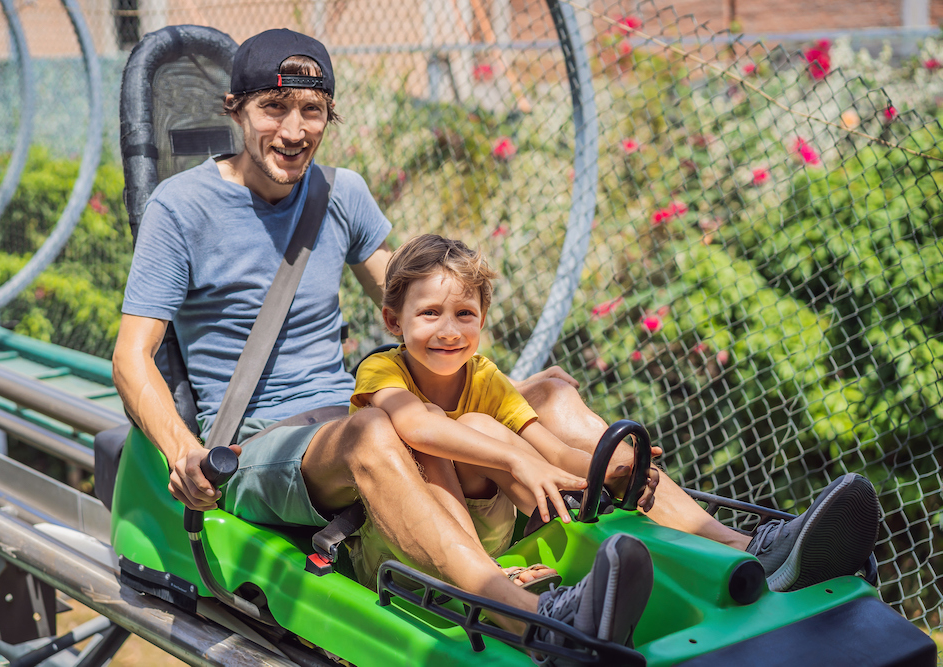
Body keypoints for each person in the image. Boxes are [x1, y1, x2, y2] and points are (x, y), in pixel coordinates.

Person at [111, 26, 880, 652]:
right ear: (236, 108)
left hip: (353, 407)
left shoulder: (340, 193)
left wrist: (512, 417)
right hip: (263, 446)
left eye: (311, 110)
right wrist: (184, 452)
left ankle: (750, 548)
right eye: (274, 109)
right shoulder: (182, 209)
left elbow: (411, 305)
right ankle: (517, 611)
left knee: (547, 390)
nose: (293, 129)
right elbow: (133, 356)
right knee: (380, 427)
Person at [348, 234, 660, 592]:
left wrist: (608, 472)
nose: (449, 331)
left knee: (480, 424)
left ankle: (572, 526)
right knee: (432, 419)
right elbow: (416, 426)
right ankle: (483, 575)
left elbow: (553, 451)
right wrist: (516, 460)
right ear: (393, 321)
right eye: (430, 313)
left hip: (489, 542)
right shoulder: (381, 370)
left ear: (481, 321)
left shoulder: (485, 378)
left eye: (464, 314)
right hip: (400, 546)